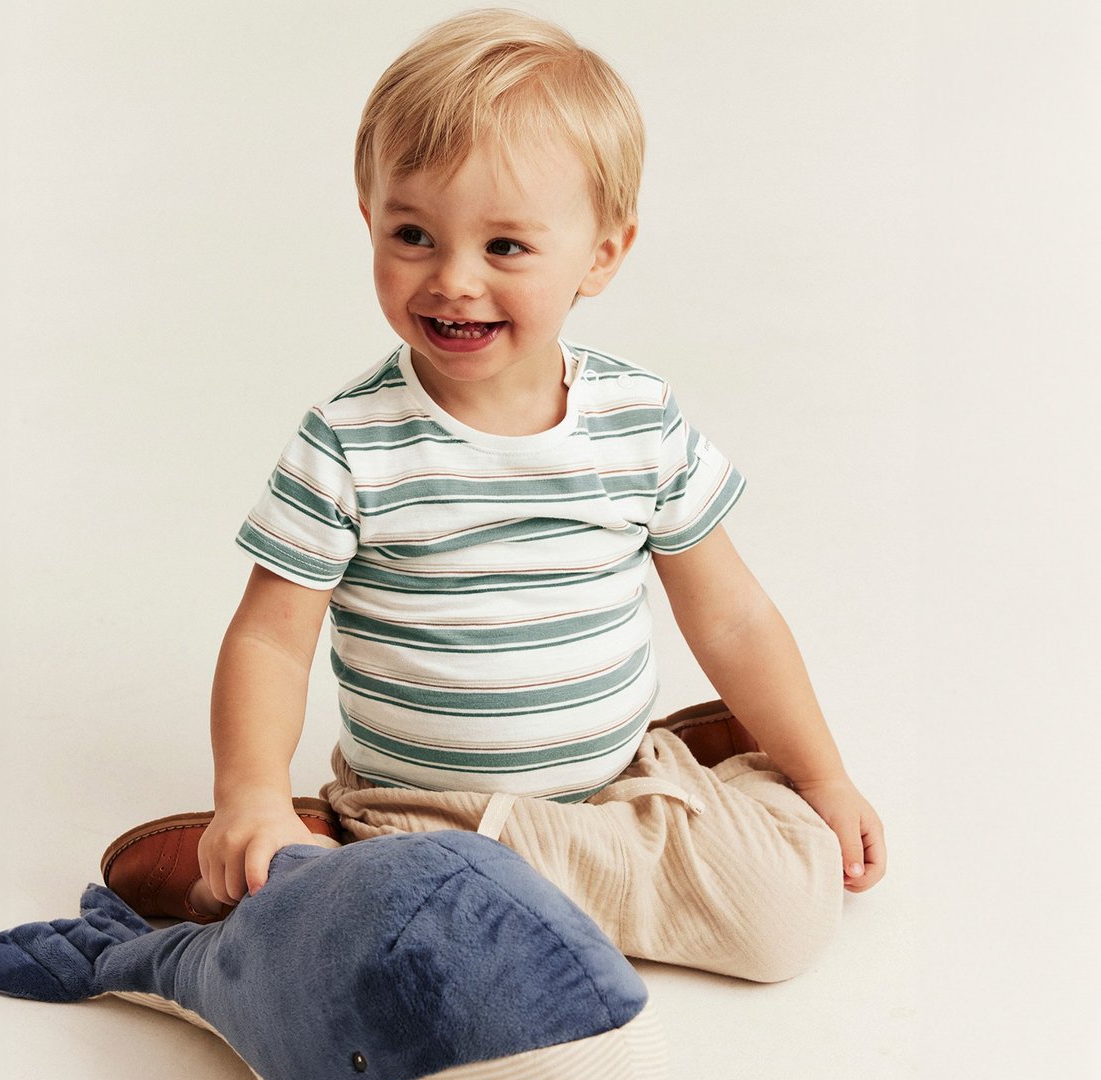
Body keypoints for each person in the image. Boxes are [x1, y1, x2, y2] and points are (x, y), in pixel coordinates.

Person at [103, 9, 885, 984]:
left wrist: (820, 776)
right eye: (413, 234)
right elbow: (269, 637)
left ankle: (507, 874)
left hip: (615, 790)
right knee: (417, 970)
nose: (452, 279)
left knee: (783, 921)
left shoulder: (636, 420)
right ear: (369, 222)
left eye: (505, 247)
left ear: (599, 254)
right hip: (423, 810)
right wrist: (251, 792)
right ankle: (296, 847)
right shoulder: (347, 442)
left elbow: (728, 613)